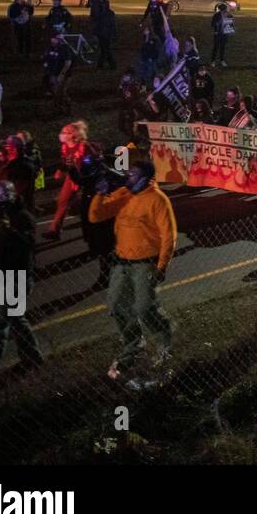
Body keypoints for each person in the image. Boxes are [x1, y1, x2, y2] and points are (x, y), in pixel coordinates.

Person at [88, 161, 176, 382]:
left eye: (133, 175)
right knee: (117, 305)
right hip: (121, 263)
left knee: (145, 308)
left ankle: (164, 341)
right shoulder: (124, 194)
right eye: (128, 173)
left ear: (146, 178)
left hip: (145, 263)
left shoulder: (158, 200)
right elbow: (96, 216)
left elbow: (169, 235)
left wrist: (162, 265)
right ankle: (132, 348)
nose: (128, 178)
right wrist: (100, 193)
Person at [0, 181, 44, 391]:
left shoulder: (22, 219)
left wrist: (8, 231)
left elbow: (26, 251)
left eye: (2, 199)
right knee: (15, 319)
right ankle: (33, 356)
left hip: (13, 281)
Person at [89, 0, 118, 69]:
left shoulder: (106, 13)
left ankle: (107, 64)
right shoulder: (98, 4)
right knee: (104, 48)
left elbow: (112, 24)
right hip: (102, 32)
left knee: (105, 49)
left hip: (105, 32)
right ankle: (106, 64)